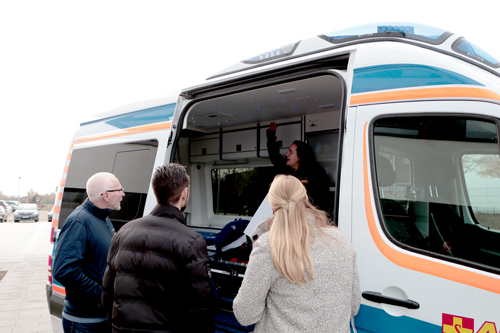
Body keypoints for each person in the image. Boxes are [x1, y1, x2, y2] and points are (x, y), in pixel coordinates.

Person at [233, 175, 360, 333]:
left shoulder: (269, 246)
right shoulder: (341, 240)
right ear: (306, 197)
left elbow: (245, 315)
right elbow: (354, 306)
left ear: (272, 206)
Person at [102, 163, 215, 333]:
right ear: (184, 193)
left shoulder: (124, 231)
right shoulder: (192, 242)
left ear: (156, 193)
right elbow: (200, 310)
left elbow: (108, 293)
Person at [53, 172, 125, 333]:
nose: (123, 193)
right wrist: (101, 295)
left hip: (100, 317)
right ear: (106, 195)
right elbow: (64, 271)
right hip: (84, 323)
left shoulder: (103, 217)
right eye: (119, 189)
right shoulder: (78, 221)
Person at [266, 122, 332, 214]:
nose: (286, 154)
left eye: (291, 152)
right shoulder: (286, 169)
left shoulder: (316, 172)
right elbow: (274, 156)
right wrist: (271, 134)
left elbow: (323, 201)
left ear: (300, 155)